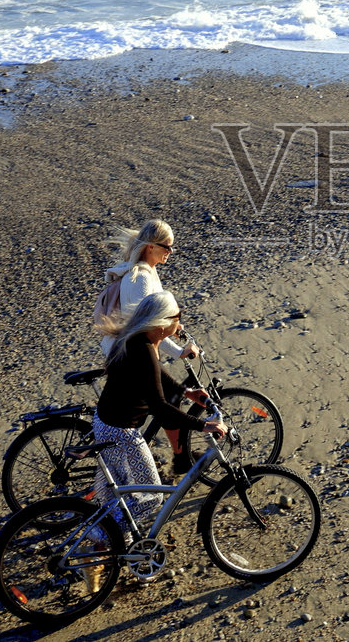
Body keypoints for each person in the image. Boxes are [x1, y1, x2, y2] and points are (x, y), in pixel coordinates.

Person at [82, 291, 227, 593]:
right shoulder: (144, 347)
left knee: (115, 499)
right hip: (121, 434)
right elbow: (161, 409)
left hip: (106, 424)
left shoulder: (139, 341)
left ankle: (111, 557)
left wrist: (187, 394)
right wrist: (204, 425)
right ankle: (98, 543)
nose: (179, 323)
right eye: (177, 317)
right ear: (161, 323)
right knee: (151, 498)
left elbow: (155, 376)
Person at [92, 219, 203, 472]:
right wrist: (179, 352)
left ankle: (176, 455)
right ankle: (179, 458)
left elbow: (158, 318)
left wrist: (177, 325)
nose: (170, 252)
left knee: (164, 397)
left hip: (132, 346)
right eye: (167, 247)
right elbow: (146, 327)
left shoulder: (149, 272)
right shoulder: (139, 279)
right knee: (163, 400)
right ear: (150, 247)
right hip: (128, 352)